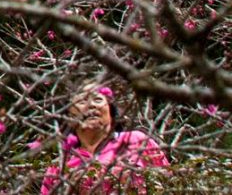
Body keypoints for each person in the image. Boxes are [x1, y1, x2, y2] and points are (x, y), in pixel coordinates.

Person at [40, 83, 169, 195]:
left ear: (111, 111)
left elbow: (169, 185)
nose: (91, 105)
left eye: (97, 100)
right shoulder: (59, 167)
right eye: (82, 101)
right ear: (69, 117)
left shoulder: (137, 141)